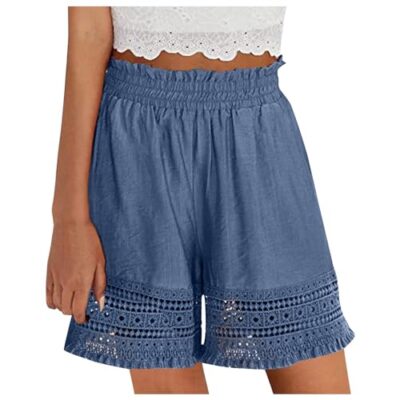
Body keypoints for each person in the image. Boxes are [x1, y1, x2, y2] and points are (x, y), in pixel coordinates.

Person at [46, 6, 355, 394]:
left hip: (257, 134)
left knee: (315, 374)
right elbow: (88, 33)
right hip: (140, 145)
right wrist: (69, 218)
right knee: (166, 377)